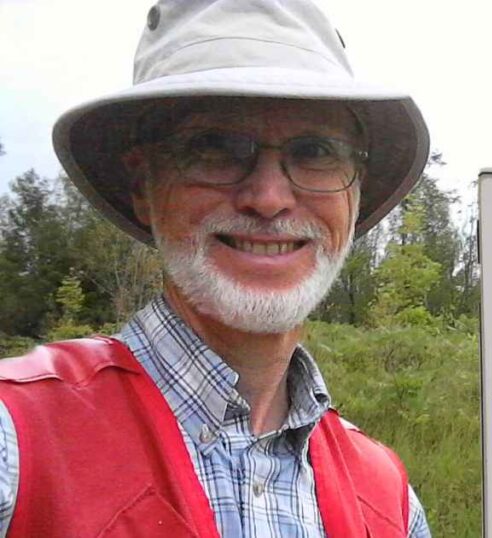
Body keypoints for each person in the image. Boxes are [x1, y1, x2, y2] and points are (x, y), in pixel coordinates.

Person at [0, 1, 432, 537]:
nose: (270, 198)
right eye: (216, 148)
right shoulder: (16, 441)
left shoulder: (386, 498)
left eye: (316, 151)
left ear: (355, 190)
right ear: (144, 186)